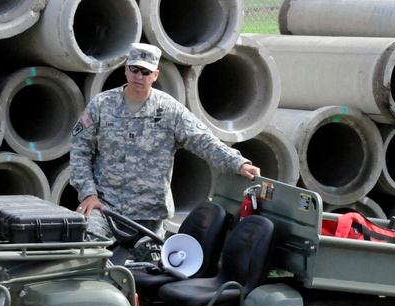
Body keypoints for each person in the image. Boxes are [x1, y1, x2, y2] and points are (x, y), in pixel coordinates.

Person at [70, 43, 261, 256]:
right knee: (84, 251)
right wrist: (88, 194)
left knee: (150, 272)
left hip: (149, 214)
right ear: (125, 69)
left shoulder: (169, 111)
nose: (138, 76)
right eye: (134, 69)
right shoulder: (101, 106)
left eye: (145, 72)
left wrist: (237, 162)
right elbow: (80, 149)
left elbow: (203, 140)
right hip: (106, 208)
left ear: (155, 75)